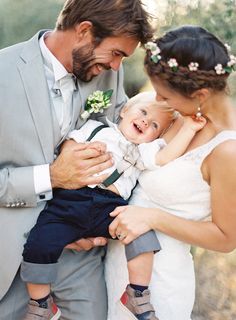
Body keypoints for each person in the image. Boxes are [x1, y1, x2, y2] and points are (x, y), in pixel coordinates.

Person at [0, 1, 154, 319]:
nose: (115, 67)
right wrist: (53, 178)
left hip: (81, 252)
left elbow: (124, 138)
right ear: (84, 31)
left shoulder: (108, 73)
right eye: (115, 53)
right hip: (11, 254)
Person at [20, 91, 205, 320]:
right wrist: (84, 150)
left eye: (154, 125)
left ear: (154, 137)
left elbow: (164, 157)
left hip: (110, 208)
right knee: (39, 242)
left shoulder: (142, 151)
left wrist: (188, 129)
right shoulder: (95, 129)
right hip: (71, 201)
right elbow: (66, 148)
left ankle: (137, 293)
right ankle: (41, 304)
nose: (145, 121)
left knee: (140, 234)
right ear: (125, 110)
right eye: (143, 112)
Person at [105, 25, 236, 320]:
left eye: (164, 96)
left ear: (200, 94)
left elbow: (226, 238)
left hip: (158, 287)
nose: (158, 102)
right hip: (117, 267)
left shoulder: (228, 150)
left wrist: (152, 217)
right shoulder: (181, 114)